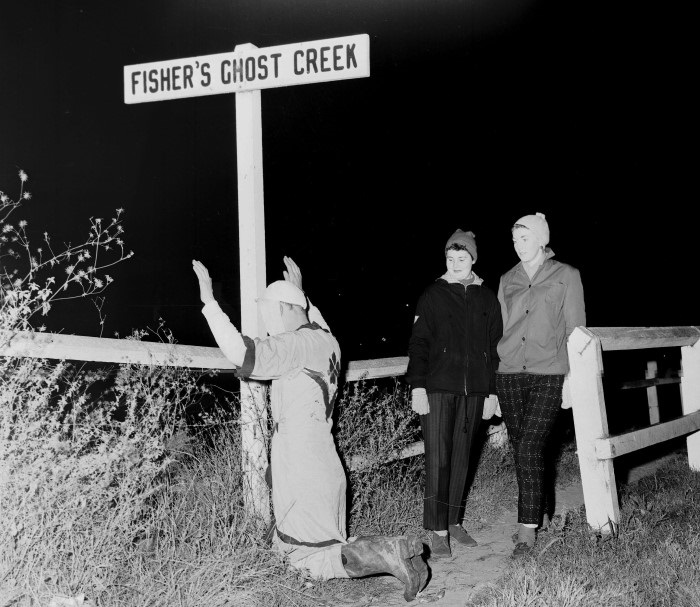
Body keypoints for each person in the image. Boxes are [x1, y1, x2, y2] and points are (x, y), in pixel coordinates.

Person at [192, 256, 429, 601]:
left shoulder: (296, 344)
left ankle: (388, 552)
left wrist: (209, 302)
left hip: (301, 459)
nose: (269, 325)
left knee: (308, 560)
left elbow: (240, 351)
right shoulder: (327, 340)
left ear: (284, 309)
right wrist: (304, 296)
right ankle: (399, 555)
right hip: (322, 455)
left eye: (270, 315)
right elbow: (314, 319)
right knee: (313, 545)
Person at [406, 230, 502, 558]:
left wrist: (491, 392)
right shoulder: (432, 294)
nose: (456, 264)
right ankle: (435, 529)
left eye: (462, 259)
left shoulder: (487, 297)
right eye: (451, 258)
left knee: (463, 456)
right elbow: (418, 343)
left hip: (474, 390)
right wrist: (418, 385)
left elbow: (494, 347)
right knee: (438, 457)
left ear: (473, 260)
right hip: (436, 388)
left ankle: (453, 520)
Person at [495, 212, 586, 557]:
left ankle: (526, 530)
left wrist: (573, 379)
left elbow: (575, 331)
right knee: (522, 448)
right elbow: (501, 328)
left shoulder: (567, 275)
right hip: (509, 374)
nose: (519, 246)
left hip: (549, 372)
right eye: (515, 240)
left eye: (525, 239)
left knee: (531, 445)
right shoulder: (507, 279)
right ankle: (541, 510)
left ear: (541, 240)